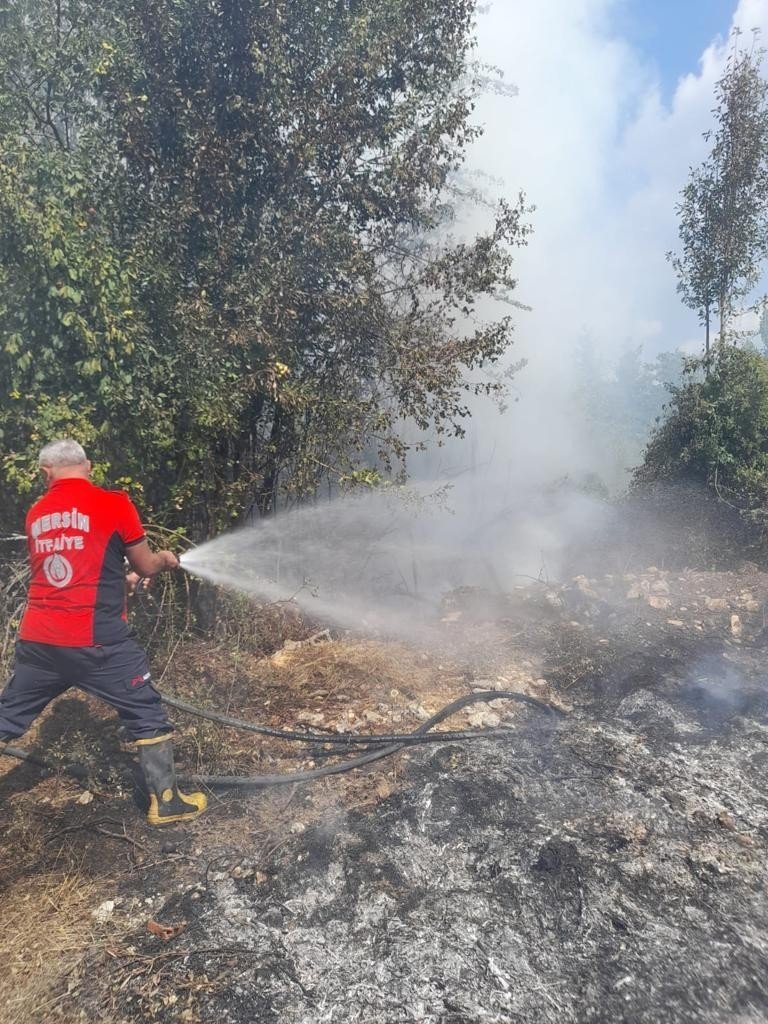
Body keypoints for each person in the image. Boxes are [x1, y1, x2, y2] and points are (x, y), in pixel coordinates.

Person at [0, 439, 207, 825]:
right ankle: (167, 803)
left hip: (40, 639)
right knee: (145, 710)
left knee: (8, 717)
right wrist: (163, 560)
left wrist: (120, 581)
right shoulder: (114, 503)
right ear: (89, 467)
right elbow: (146, 565)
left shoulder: (36, 513)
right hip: (97, 641)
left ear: (46, 474)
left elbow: (70, 572)